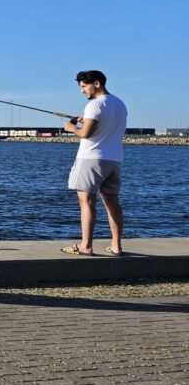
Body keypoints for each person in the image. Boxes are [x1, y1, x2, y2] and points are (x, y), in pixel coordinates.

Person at [61, 70, 127, 256]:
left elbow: (85, 134)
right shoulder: (120, 104)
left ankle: (86, 246)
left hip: (91, 159)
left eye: (84, 86)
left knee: (87, 202)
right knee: (112, 202)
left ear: (96, 84)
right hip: (114, 160)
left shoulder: (94, 105)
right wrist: (86, 120)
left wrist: (71, 127)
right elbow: (105, 125)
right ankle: (116, 246)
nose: (82, 91)